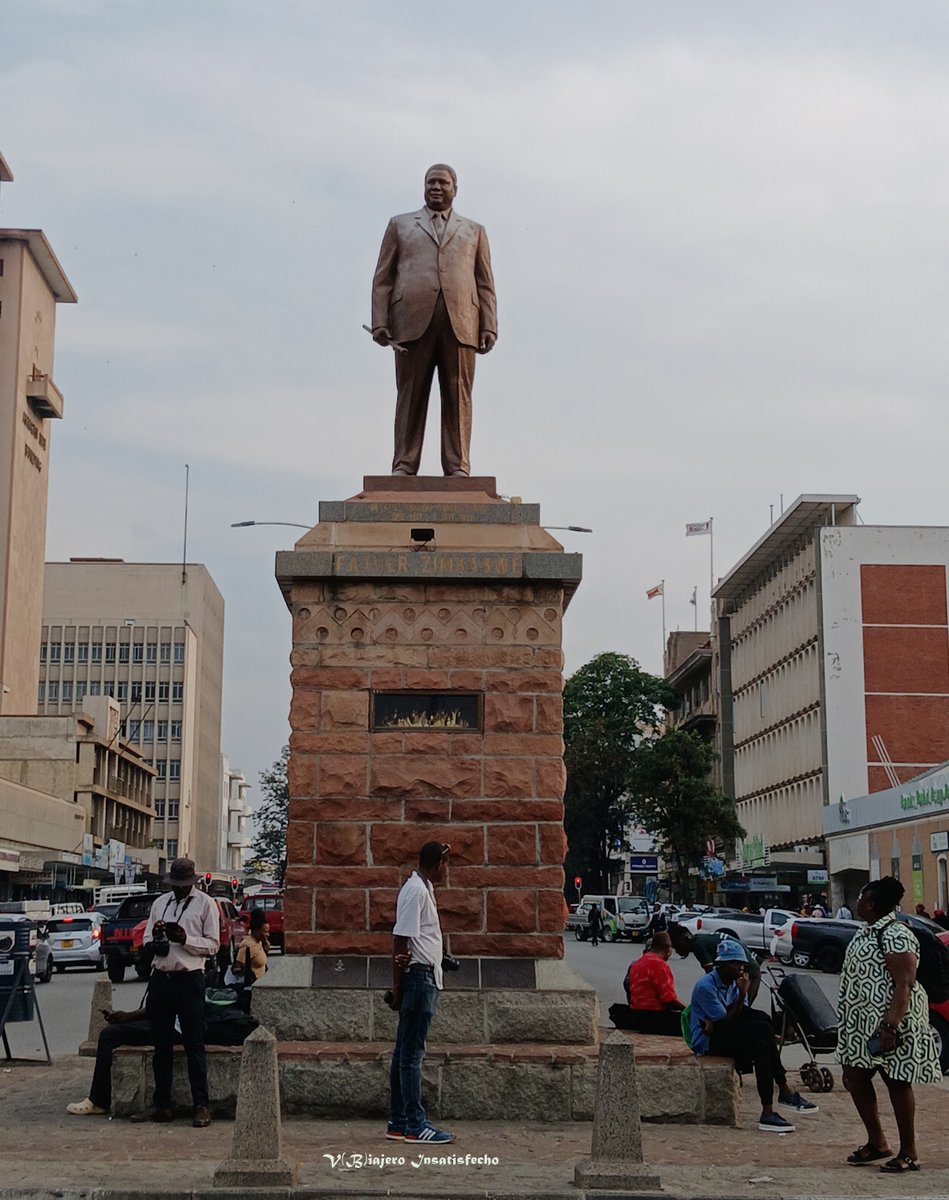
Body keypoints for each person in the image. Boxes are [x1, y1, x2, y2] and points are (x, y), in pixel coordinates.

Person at [371, 164, 498, 478]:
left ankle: (457, 466)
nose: (436, 187)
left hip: (462, 323)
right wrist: (380, 320)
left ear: (455, 188)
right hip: (410, 321)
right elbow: (383, 277)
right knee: (410, 393)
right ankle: (404, 463)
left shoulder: (474, 231)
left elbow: (484, 282)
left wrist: (489, 324)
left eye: (443, 182)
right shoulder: (400, 225)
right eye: (431, 182)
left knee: (458, 394)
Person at [837, 876, 941, 1173]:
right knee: (854, 1075)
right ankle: (878, 1142)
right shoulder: (869, 931)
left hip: (891, 1023)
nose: (857, 902)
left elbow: (905, 983)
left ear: (870, 904)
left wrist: (890, 1026)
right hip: (860, 1026)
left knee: (896, 1081)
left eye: (860, 897)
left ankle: (909, 1152)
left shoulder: (896, 934)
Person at [690, 940, 818, 1132]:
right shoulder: (706, 986)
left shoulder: (734, 982)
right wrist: (741, 995)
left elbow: (741, 1014)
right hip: (709, 1041)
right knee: (762, 1028)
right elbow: (725, 1019)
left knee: (761, 1043)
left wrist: (742, 995)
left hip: (725, 1030)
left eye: (742, 964)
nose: (741, 969)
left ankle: (767, 1112)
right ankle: (784, 1089)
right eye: (735, 964)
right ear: (721, 965)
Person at [131, 857, 220, 1128]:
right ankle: (162, 1104)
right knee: (161, 1045)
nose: (179, 890)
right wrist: (156, 940)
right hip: (161, 977)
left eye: (183, 885)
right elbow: (146, 938)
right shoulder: (161, 903)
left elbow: (214, 944)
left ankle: (201, 1105)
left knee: (194, 1043)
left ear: (191, 882)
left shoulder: (205, 904)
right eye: (176, 885)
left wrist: (186, 940)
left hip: (189, 978)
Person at [387, 840, 454, 1145]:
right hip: (419, 977)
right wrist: (398, 985)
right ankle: (415, 1124)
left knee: (404, 1053)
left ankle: (398, 1121)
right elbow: (401, 938)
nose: (447, 868)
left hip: (422, 975)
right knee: (412, 1055)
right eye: (445, 863)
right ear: (436, 863)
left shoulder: (423, 888)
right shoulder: (416, 890)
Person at [66, 1006, 153, 1116]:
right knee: (114, 1028)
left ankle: (99, 1101)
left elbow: (157, 1006)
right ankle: (100, 1097)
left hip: (170, 1026)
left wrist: (127, 1016)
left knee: (109, 1035)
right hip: (164, 1020)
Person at [669, 923, 762, 1005]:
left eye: (677, 946)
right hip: (752, 967)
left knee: (741, 1010)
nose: (677, 951)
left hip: (749, 972)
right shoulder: (701, 939)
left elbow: (712, 976)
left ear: (686, 939)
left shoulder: (698, 945)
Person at [622, 932, 685, 1035]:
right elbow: (668, 999)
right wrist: (688, 1009)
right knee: (694, 1024)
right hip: (655, 1017)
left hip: (637, 1015)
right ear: (668, 949)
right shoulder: (660, 965)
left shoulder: (637, 963)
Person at [234, 908, 270, 982]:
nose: (268, 935)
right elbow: (238, 968)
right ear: (256, 931)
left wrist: (266, 949)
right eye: (265, 932)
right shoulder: (248, 944)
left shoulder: (259, 942)